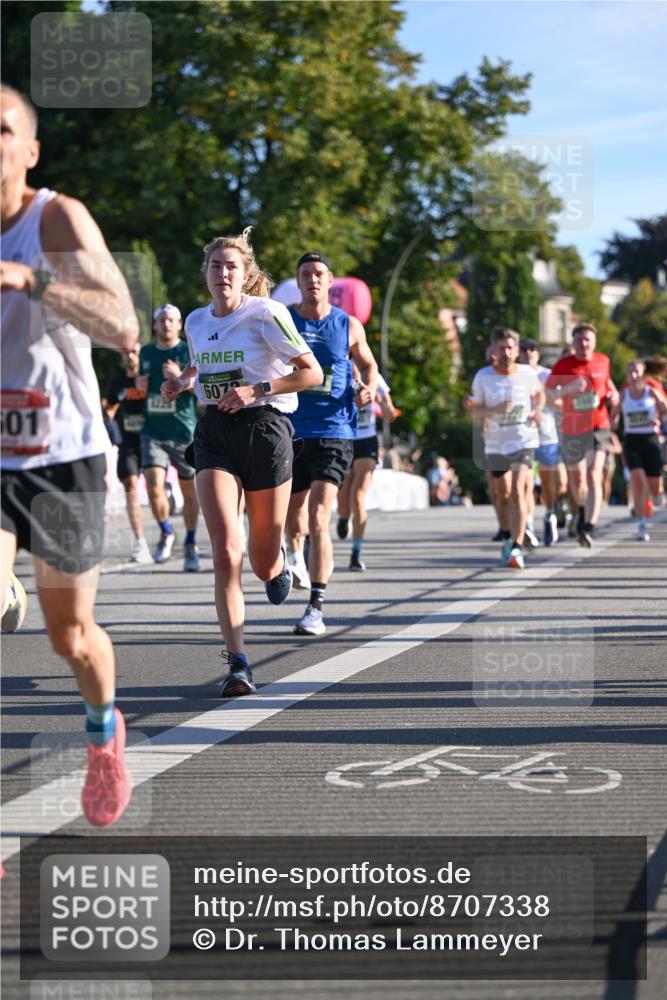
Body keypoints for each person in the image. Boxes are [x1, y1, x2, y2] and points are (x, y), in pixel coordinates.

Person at [0, 84, 138, 826]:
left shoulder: (54, 218)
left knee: (71, 636)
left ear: (30, 150)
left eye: (1, 130)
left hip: (66, 456)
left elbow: (120, 319)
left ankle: (102, 731)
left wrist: (31, 279)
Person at [160, 229, 321, 696]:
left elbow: (311, 373)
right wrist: (183, 384)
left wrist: (257, 388)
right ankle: (238, 663)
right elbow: (199, 366)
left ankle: (278, 567)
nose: (223, 273)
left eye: (232, 267)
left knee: (260, 559)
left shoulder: (266, 314)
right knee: (226, 552)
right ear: (206, 274)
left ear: (245, 273)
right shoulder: (194, 321)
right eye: (216, 266)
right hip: (216, 435)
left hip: (266, 430)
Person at [284, 251, 378, 635]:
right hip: (290, 430)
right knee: (293, 522)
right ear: (299, 281)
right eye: (306, 273)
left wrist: (368, 389)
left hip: (337, 430)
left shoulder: (348, 325)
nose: (313, 279)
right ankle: (293, 554)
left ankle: (316, 608)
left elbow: (369, 364)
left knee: (319, 515)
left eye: (319, 273)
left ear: (330, 281)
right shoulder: (284, 318)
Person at [469, 326, 544, 570]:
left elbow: (539, 394)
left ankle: (517, 547)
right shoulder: (483, 376)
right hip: (496, 444)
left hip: (524, 440)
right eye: (501, 348)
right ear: (493, 349)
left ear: (516, 349)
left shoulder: (526, 372)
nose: (506, 352)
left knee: (519, 492)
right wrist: (494, 410)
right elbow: (474, 410)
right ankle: (508, 534)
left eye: (511, 347)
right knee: (502, 495)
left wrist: (537, 410)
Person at [137, 304, 200, 570]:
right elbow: (141, 387)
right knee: (153, 485)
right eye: (161, 320)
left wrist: (180, 379)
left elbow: (202, 389)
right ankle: (165, 531)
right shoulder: (146, 352)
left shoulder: (188, 350)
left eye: (171, 320)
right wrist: (139, 387)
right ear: (155, 324)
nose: (166, 324)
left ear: (179, 323)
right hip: (153, 430)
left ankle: (190, 542)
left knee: (188, 490)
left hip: (183, 430)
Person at [546, 324, 619, 548]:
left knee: (593, 473)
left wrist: (614, 397)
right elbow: (547, 395)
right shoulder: (563, 365)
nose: (583, 344)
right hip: (572, 427)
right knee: (576, 480)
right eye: (579, 340)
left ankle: (588, 526)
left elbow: (609, 386)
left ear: (594, 342)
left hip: (599, 425)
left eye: (587, 339)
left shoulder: (603, 361)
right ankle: (580, 511)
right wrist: (567, 392)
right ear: (573, 342)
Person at [336, 373, 397, 570]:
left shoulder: (374, 378)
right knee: (343, 501)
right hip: (344, 439)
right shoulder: (340, 369)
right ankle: (344, 517)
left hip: (367, 441)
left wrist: (381, 402)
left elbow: (390, 415)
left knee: (358, 496)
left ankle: (356, 553)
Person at [105, 342, 152, 563]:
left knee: (156, 489)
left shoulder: (151, 376)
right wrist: (107, 421)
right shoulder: (117, 382)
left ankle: (165, 530)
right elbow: (111, 407)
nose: (131, 356)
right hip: (129, 442)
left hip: (153, 438)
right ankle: (140, 543)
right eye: (126, 352)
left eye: (134, 352)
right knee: (130, 486)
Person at [519, 338, 566, 546]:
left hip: (546, 435)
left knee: (549, 484)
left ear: (538, 354)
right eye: (524, 350)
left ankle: (549, 515)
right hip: (522, 436)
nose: (528, 353)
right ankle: (528, 525)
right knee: (526, 483)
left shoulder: (548, 375)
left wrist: (543, 395)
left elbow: (561, 405)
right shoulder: (514, 375)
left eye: (533, 350)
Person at [617, 359, 667, 541]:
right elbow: (613, 417)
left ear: (643, 374)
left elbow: (665, 411)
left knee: (654, 488)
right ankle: (641, 524)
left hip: (651, 440)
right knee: (638, 481)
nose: (633, 375)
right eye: (630, 372)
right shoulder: (624, 393)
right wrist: (611, 427)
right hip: (632, 440)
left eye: (637, 372)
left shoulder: (651, 392)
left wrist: (659, 420)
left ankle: (656, 495)